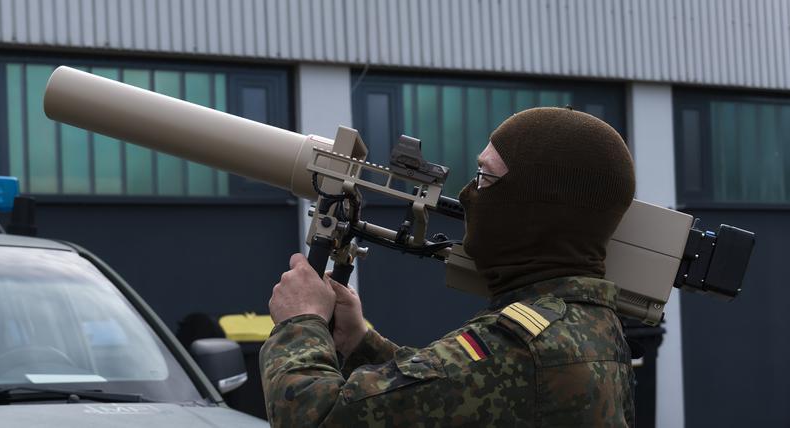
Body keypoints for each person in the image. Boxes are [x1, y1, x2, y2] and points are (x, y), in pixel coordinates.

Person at [261, 107, 636, 427]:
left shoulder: (523, 347)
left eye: (485, 178)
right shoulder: (589, 324)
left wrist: (301, 322)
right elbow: (455, 396)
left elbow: (319, 416)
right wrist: (360, 342)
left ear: (534, 205)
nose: (468, 195)